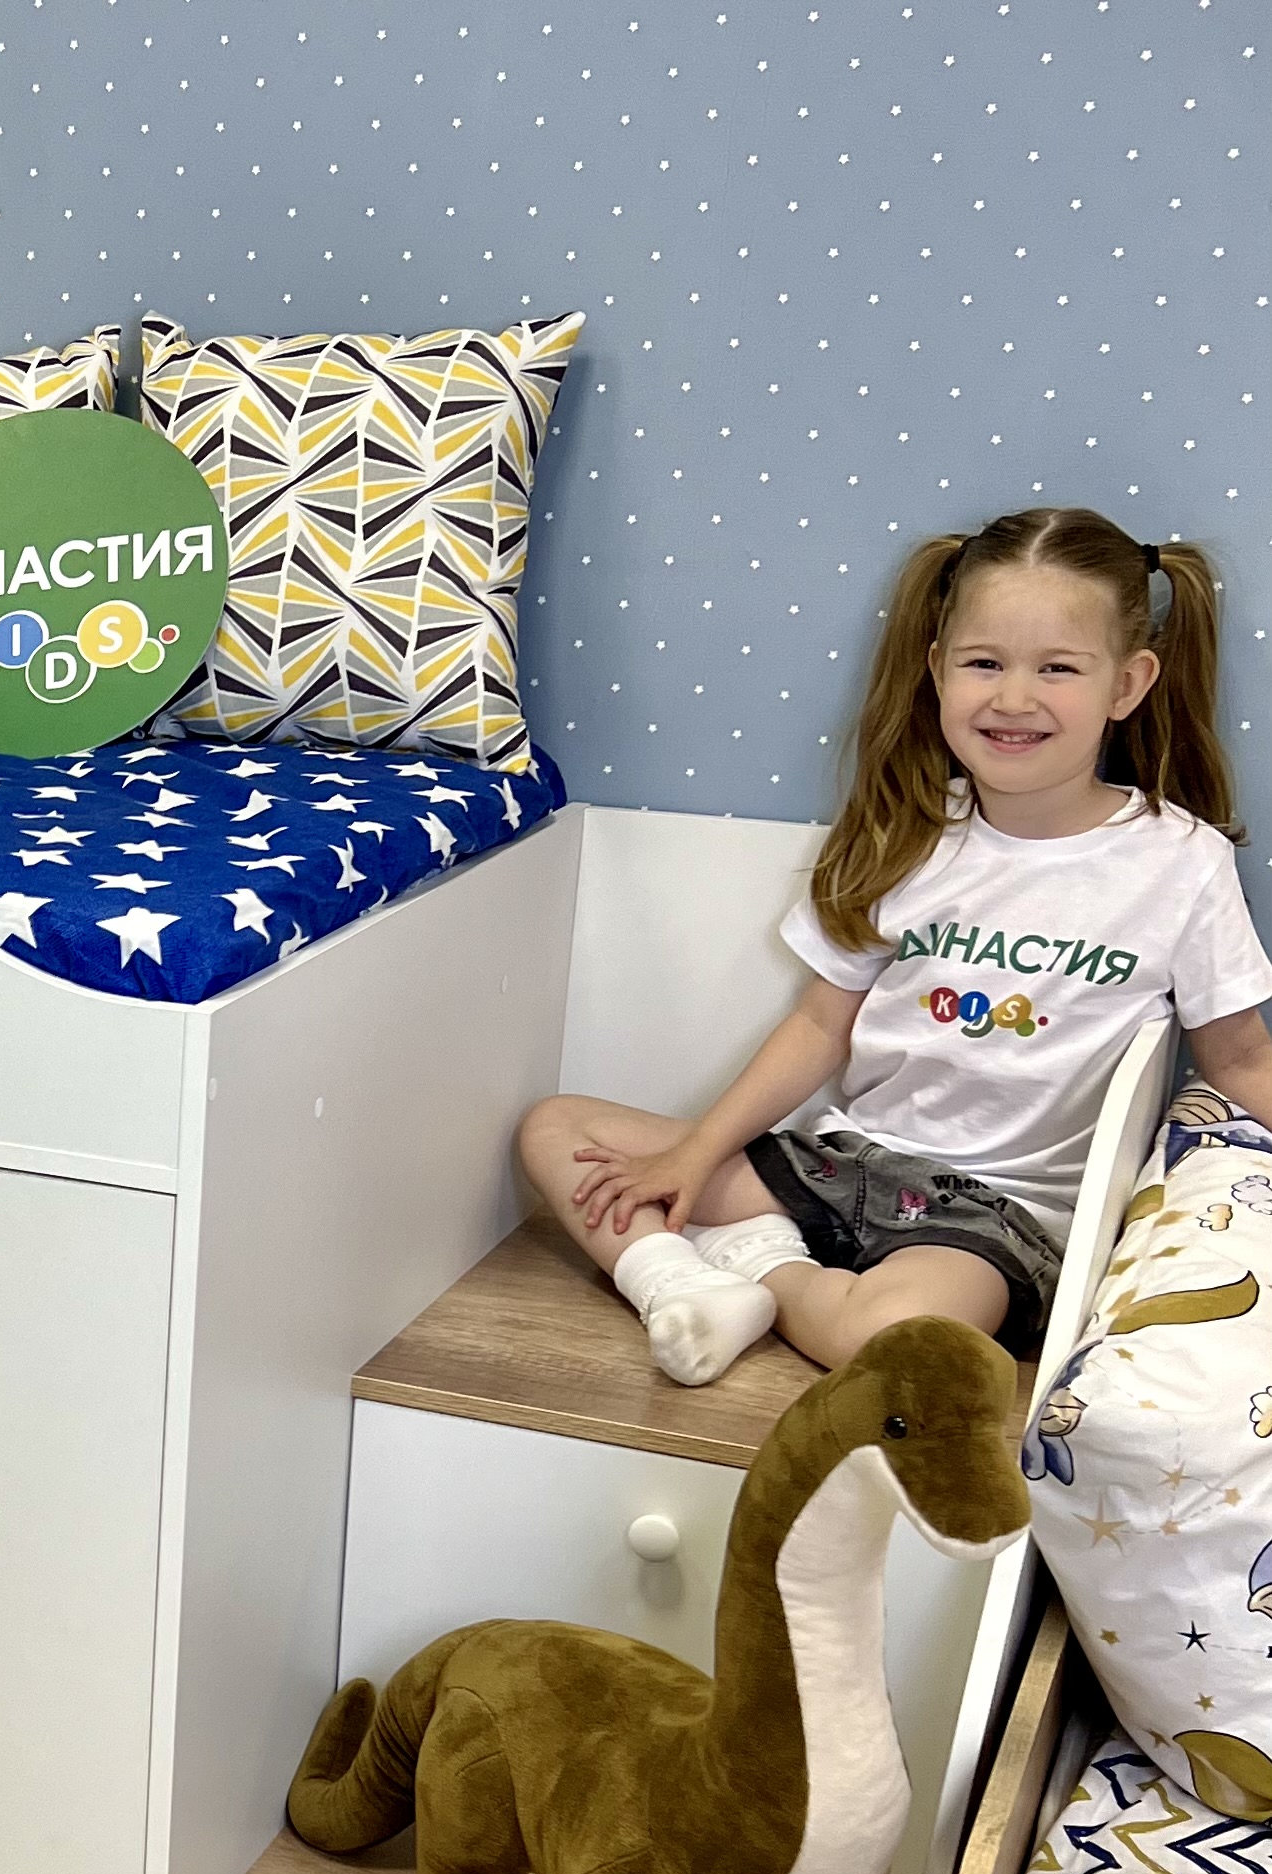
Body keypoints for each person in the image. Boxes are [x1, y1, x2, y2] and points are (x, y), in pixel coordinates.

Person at [521, 505, 1272, 1386]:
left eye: (1058, 668)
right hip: (843, 1165)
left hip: (997, 1222)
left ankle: (754, 1265)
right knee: (557, 1130)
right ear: (937, 668)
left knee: (889, 1338)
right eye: (984, 663)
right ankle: (675, 1282)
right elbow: (819, 1026)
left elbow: (1239, 1058)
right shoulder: (909, 831)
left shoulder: (1178, 861)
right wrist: (695, 1154)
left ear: (1128, 684)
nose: (1014, 698)